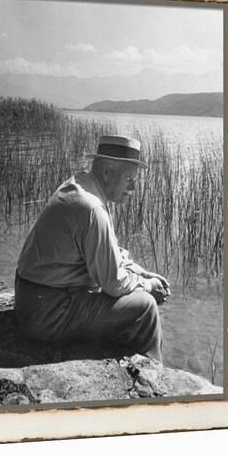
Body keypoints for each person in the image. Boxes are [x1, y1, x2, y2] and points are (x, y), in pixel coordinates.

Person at [14, 135, 171, 362]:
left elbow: (107, 252)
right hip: (46, 316)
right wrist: (148, 286)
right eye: (129, 178)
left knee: (119, 293)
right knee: (146, 307)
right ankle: (155, 377)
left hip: (31, 301)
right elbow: (114, 284)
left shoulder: (80, 185)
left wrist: (141, 272)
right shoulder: (92, 208)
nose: (133, 187)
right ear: (107, 171)